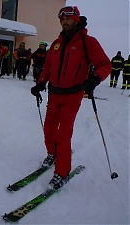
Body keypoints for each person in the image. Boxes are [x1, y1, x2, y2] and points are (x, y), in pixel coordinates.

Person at [30, 6, 111, 190]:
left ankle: (61, 172)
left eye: (67, 18)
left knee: (63, 133)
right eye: (62, 19)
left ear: (76, 19)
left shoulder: (87, 42)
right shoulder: (56, 44)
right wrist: (41, 83)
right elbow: (48, 67)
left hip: (73, 94)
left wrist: (95, 78)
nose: (64, 22)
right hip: (54, 93)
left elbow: (105, 64)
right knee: (49, 127)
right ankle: (52, 153)